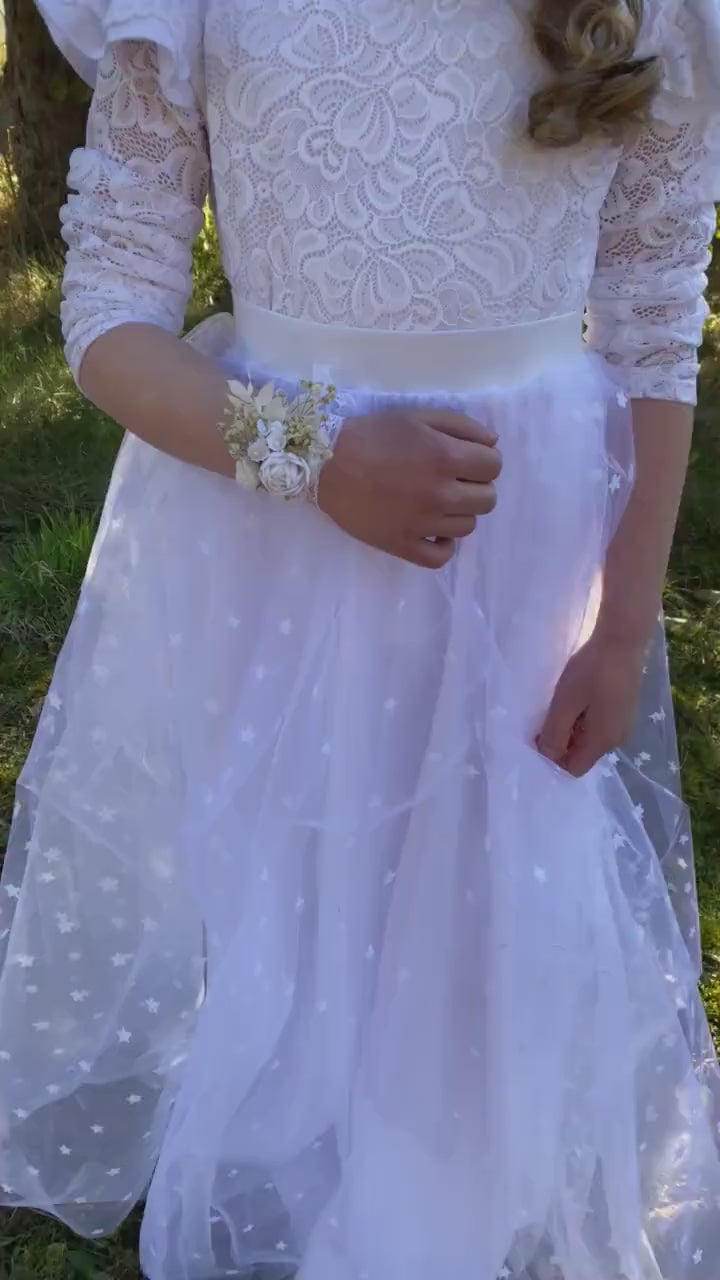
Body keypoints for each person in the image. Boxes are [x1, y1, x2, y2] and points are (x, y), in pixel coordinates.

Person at [1, 0, 719, 1276]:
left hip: (523, 544)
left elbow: (658, 305)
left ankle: (433, 1226)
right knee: (307, 920)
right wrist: (315, 456)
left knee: (491, 940)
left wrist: (620, 625)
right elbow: (110, 308)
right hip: (281, 544)